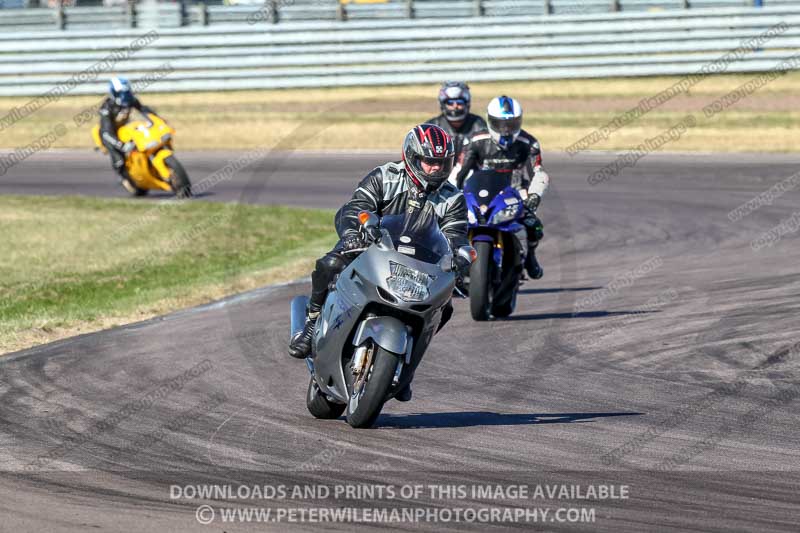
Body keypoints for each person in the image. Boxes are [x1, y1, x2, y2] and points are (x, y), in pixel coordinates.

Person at [288, 124, 469, 400]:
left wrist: (461, 256)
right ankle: (311, 325)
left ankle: (406, 367)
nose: (435, 168)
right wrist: (355, 232)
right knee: (329, 265)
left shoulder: (453, 197)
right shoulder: (385, 175)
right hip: (371, 245)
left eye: (441, 163)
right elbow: (357, 206)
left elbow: (455, 234)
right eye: (429, 161)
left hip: (420, 263)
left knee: (444, 308)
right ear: (411, 156)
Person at [456, 95, 549, 280]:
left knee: (534, 225)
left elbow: (539, 173)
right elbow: (459, 171)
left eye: (511, 124)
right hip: (480, 192)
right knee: (452, 221)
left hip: (514, 192)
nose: (506, 130)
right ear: (490, 121)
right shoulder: (475, 141)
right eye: (500, 124)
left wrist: (534, 196)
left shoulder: (528, 143)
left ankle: (530, 255)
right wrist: (452, 192)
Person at [98, 77, 158, 191]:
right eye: (121, 94)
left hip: (124, 128)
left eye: (126, 93)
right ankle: (123, 176)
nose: (124, 96)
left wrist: (157, 119)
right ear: (114, 93)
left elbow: (144, 110)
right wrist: (121, 145)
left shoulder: (130, 99)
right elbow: (106, 133)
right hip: (109, 133)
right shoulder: (106, 108)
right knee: (118, 158)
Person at [425, 81, 487, 167]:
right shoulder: (432, 127)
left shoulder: (478, 125)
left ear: (467, 103)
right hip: (440, 174)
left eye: (459, 102)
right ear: (443, 104)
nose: (455, 106)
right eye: (450, 103)